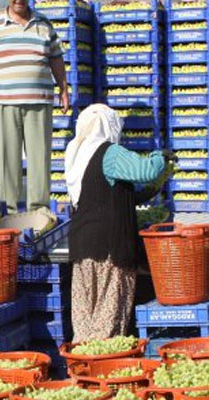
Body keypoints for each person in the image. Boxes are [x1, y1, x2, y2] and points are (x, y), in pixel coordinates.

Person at [66, 104, 174, 342]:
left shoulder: (76, 155)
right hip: (109, 249)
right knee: (109, 318)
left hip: (83, 247)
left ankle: (82, 367)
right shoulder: (109, 153)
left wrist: (149, 192)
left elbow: (106, 194)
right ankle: (104, 367)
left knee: (86, 316)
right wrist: (160, 156)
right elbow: (145, 170)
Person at [0, 0, 69, 213]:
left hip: (39, 102)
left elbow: (56, 59)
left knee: (39, 159)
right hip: (3, 102)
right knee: (7, 160)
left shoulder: (44, 24)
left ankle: (39, 210)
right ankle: (9, 210)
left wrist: (63, 89)